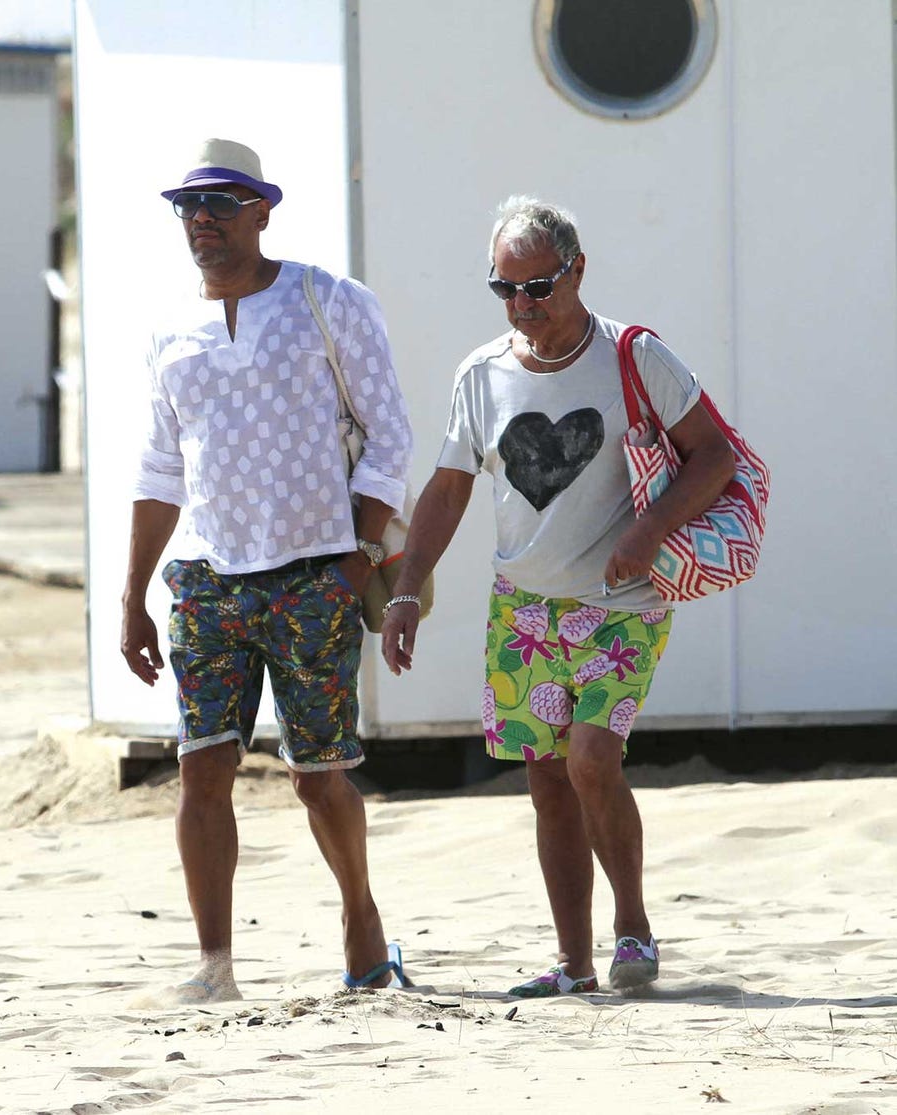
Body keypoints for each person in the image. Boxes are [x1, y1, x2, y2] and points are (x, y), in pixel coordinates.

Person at [380, 196, 735, 997]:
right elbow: (447, 487)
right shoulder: (484, 374)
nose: (523, 307)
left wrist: (646, 535)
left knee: (591, 759)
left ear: (577, 270)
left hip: (626, 601)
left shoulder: (634, 358)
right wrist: (405, 591)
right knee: (545, 780)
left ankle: (633, 928)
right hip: (526, 609)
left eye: (537, 286)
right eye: (505, 290)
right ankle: (574, 963)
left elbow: (713, 456)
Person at [121, 138, 413, 1002]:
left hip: (313, 572)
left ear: (263, 209)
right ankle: (213, 967)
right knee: (200, 766)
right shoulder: (172, 336)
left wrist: (354, 559)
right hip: (208, 580)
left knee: (317, 775)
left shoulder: (328, 300)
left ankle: (363, 924)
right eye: (187, 206)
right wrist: (131, 596)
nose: (201, 219)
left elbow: (388, 434)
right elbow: (157, 473)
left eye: (220, 201)